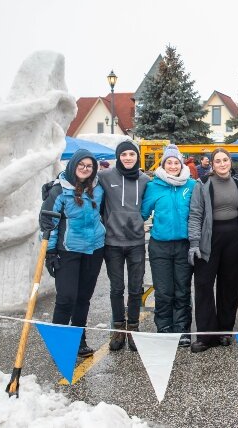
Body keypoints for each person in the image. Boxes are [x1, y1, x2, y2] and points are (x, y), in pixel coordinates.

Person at [187, 148, 238, 352]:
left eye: (225, 160)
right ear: (212, 165)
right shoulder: (203, 184)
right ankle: (207, 335)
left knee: (230, 285)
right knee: (204, 285)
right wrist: (194, 243)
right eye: (218, 161)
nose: (222, 164)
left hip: (233, 238)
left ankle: (225, 330)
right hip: (210, 238)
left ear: (230, 162)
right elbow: (196, 214)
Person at [41, 149, 105, 358]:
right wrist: (50, 252)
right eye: (82, 165)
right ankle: (59, 343)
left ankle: (79, 339)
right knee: (66, 297)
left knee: (83, 298)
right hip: (67, 251)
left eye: (89, 166)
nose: (85, 169)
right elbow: (49, 223)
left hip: (94, 249)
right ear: (73, 166)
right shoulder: (59, 191)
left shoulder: (98, 188)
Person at [141, 144, 197, 347]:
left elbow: (199, 213)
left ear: (181, 163)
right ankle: (164, 329)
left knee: (182, 289)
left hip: (183, 245)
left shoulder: (191, 185)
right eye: (169, 162)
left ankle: (182, 329)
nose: (173, 166)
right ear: (164, 164)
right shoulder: (153, 186)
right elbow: (142, 213)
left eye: (176, 162)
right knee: (164, 291)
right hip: (160, 246)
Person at [99, 140, 150, 352]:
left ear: (137, 157)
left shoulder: (145, 179)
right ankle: (118, 331)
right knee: (117, 288)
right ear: (118, 157)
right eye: (124, 154)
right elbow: (80, 177)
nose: (128, 158)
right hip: (112, 242)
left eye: (132, 154)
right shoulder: (105, 176)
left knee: (136, 289)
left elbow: (150, 203)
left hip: (136, 241)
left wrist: (140, 220)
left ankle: (133, 331)